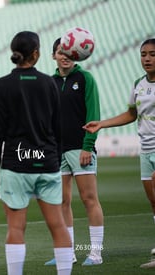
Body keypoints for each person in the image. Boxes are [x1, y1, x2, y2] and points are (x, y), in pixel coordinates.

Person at [0, 31, 73, 275]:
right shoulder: (49, 83)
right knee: (58, 226)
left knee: (16, 228)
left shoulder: (2, 85)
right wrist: (55, 160)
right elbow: (57, 128)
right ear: (36, 53)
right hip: (47, 163)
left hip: (16, 166)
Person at [83, 38, 155, 269]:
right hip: (145, 150)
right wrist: (101, 124)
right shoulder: (138, 84)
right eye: (143, 54)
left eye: (152, 54)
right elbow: (131, 115)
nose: (147, 58)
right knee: (153, 202)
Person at [44, 38, 104, 266]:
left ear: (77, 53)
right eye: (60, 51)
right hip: (56, 151)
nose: (65, 55)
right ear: (53, 55)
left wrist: (88, 145)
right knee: (61, 201)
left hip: (81, 148)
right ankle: (66, 253)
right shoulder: (49, 82)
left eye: (69, 51)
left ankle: (96, 253)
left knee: (89, 199)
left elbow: (93, 113)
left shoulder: (85, 78)